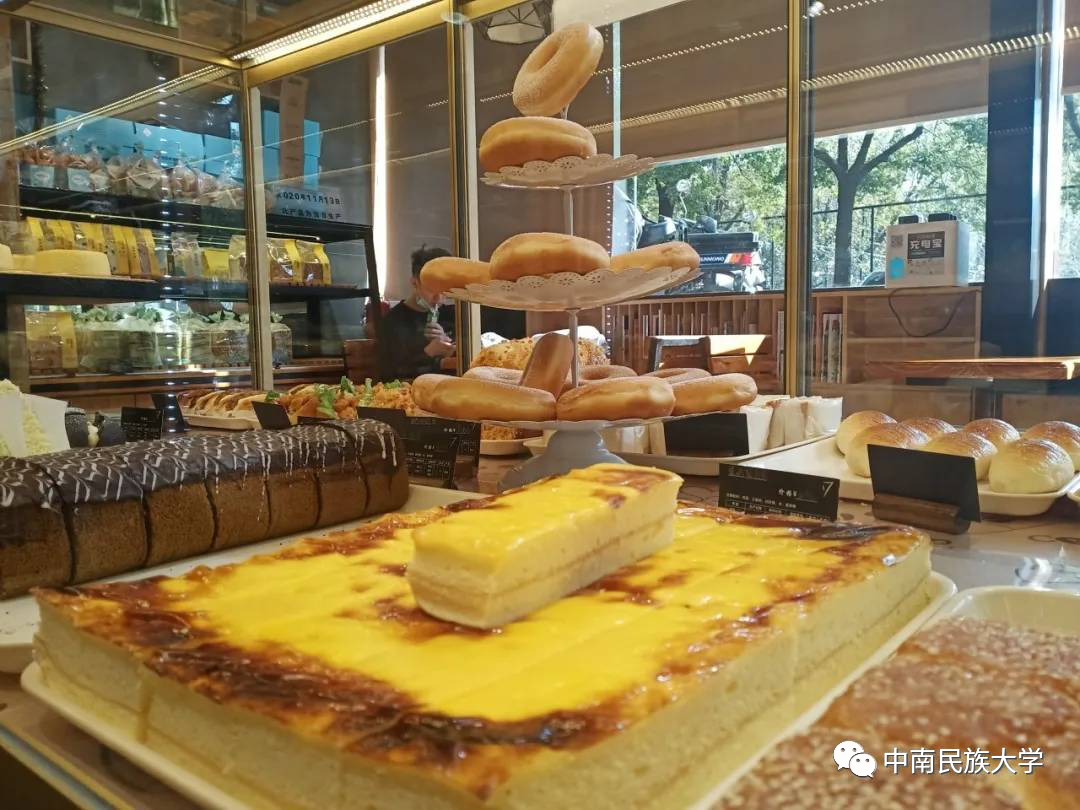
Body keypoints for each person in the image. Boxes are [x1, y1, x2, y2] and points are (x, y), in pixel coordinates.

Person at [375, 245, 456, 381]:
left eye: (445, 291)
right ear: (414, 283)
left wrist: (449, 347)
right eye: (432, 289)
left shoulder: (453, 315)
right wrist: (429, 352)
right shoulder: (392, 323)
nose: (439, 298)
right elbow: (390, 375)